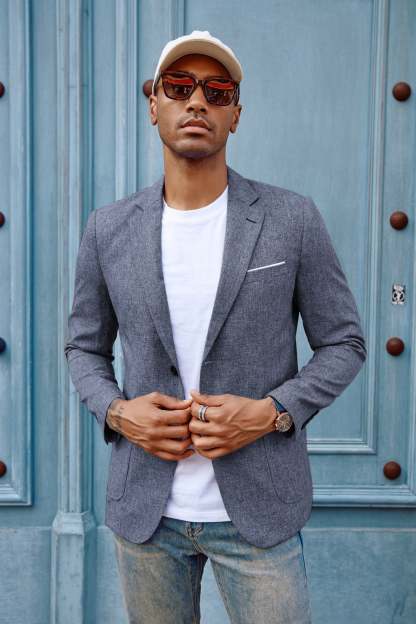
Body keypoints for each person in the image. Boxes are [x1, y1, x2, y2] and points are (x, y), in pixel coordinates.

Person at [64, 30, 366, 624]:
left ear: (236, 115)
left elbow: (344, 343)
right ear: (154, 105)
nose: (197, 101)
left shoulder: (291, 218)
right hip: (147, 516)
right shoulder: (108, 228)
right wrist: (119, 414)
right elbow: (83, 348)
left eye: (216, 91)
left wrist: (272, 412)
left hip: (260, 515)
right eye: (179, 87)